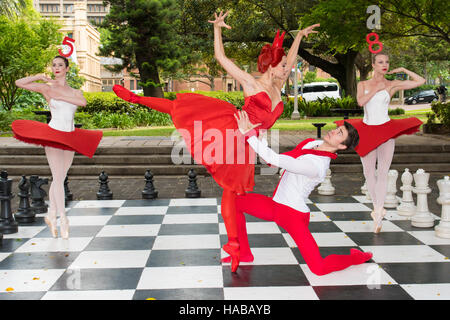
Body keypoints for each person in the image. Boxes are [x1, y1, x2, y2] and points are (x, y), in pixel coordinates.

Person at [112, 10, 320, 272]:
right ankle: (136, 98)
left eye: (287, 67)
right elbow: (221, 58)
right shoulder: (251, 83)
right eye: (283, 67)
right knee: (185, 110)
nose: (288, 69)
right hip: (233, 135)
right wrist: (217, 29)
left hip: (250, 144)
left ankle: (241, 250)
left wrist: (299, 36)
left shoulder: (278, 85)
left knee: (238, 196)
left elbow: (288, 57)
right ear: (270, 66)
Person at [230, 110, 372, 275]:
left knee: (319, 269)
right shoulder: (311, 143)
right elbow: (281, 158)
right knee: (234, 203)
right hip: (275, 206)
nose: (333, 131)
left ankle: (356, 257)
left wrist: (249, 134)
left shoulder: (317, 166)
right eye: (337, 128)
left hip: (293, 215)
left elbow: (274, 159)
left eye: (339, 133)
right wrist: (259, 135)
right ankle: (244, 253)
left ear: (342, 146)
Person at [12, 56, 103, 239]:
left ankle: (51, 215)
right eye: (54, 65)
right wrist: (38, 76)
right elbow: (18, 82)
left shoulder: (75, 91)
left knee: (60, 178)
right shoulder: (46, 88)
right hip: (53, 134)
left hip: (69, 137)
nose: (56, 68)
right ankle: (63, 218)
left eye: (60, 65)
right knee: (57, 177)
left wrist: (60, 95)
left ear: (67, 68)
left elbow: (82, 102)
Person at [336, 52, 425, 233]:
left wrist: (402, 69)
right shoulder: (363, 84)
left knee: (383, 172)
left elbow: (420, 81)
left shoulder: (392, 85)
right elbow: (360, 102)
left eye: (387, 62)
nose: (384, 65)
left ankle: (378, 211)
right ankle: (377, 208)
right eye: (380, 62)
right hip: (366, 131)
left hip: (385, 130)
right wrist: (375, 90)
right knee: (369, 172)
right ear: (373, 64)